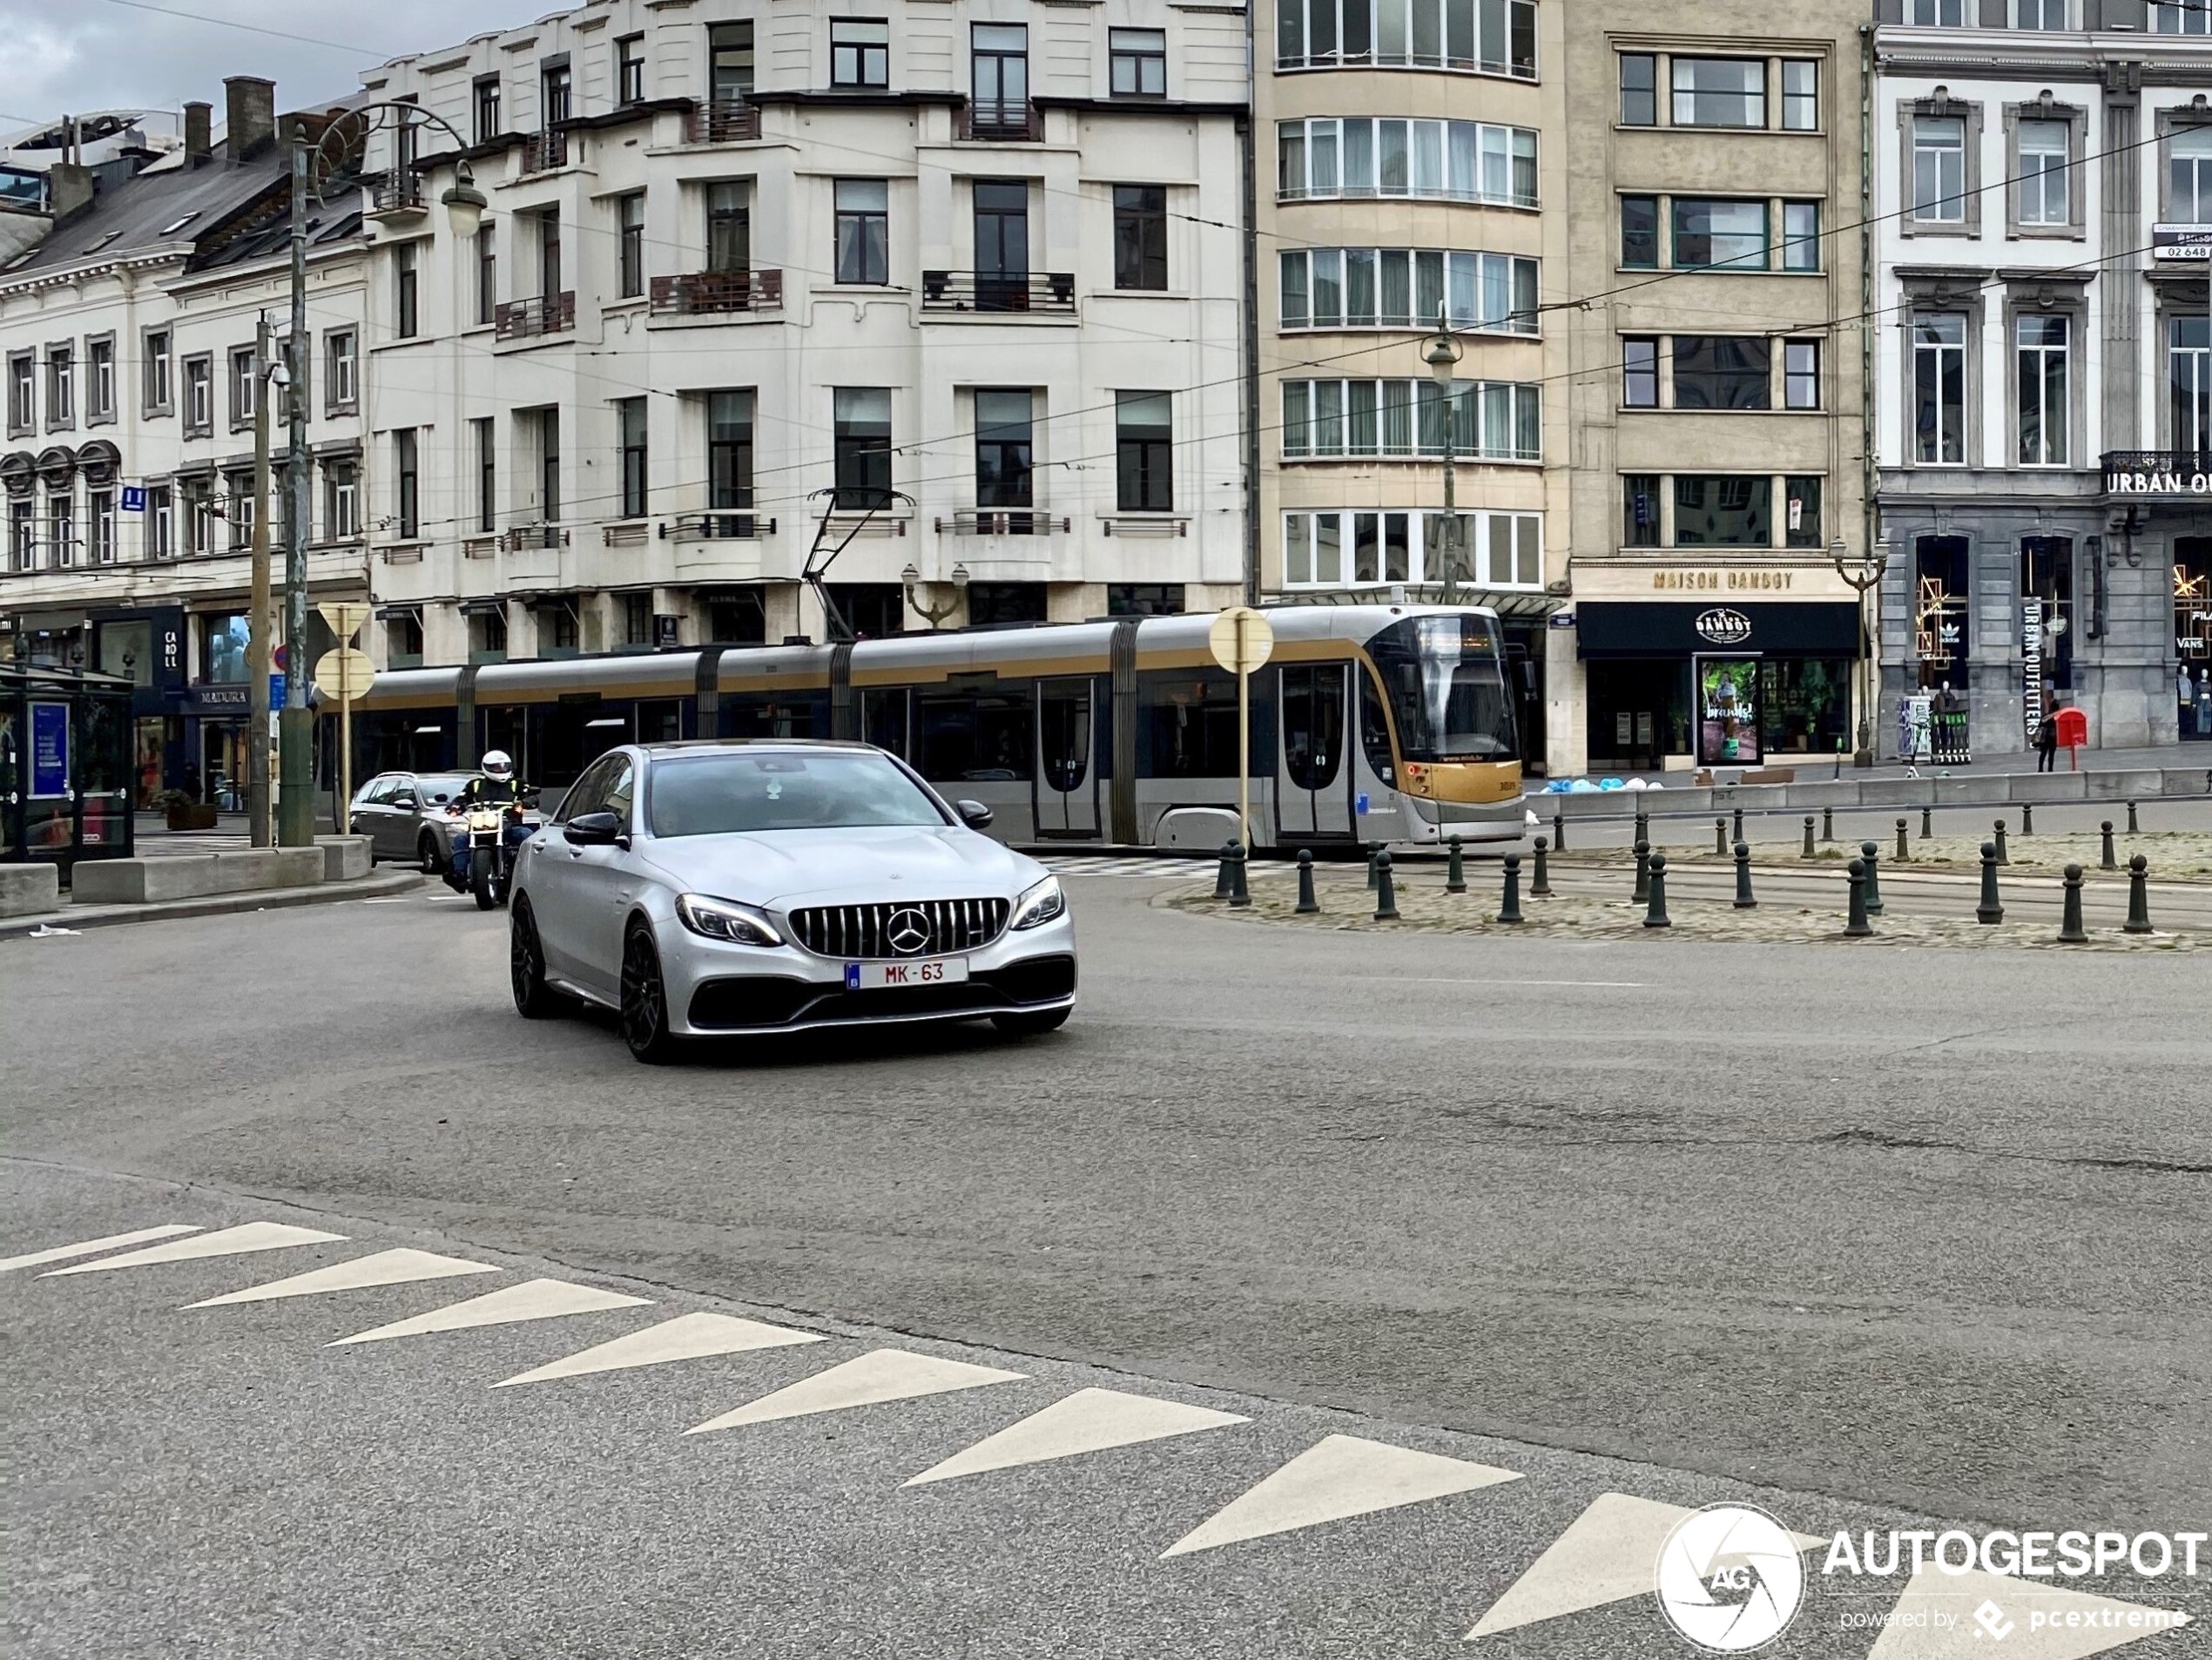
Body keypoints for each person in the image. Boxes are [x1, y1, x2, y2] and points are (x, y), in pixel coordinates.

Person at [448, 749, 536, 885]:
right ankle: (459, 873)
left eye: (503, 766)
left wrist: (526, 802)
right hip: (480, 827)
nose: (501, 769)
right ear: (487, 767)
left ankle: (528, 871)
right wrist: (455, 806)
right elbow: (462, 798)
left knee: (526, 834)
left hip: (510, 825)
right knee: (460, 839)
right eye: (496, 767)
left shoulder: (516, 783)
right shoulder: (475, 785)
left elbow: (530, 796)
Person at [2035, 703, 2060, 773]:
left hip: (2044, 738)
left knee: (2043, 754)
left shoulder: (2046, 716)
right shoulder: (2057, 717)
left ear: (2050, 708)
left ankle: (2040, 769)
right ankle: (2050, 769)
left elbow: (2040, 725)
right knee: (2051, 755)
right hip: (2053, 738)